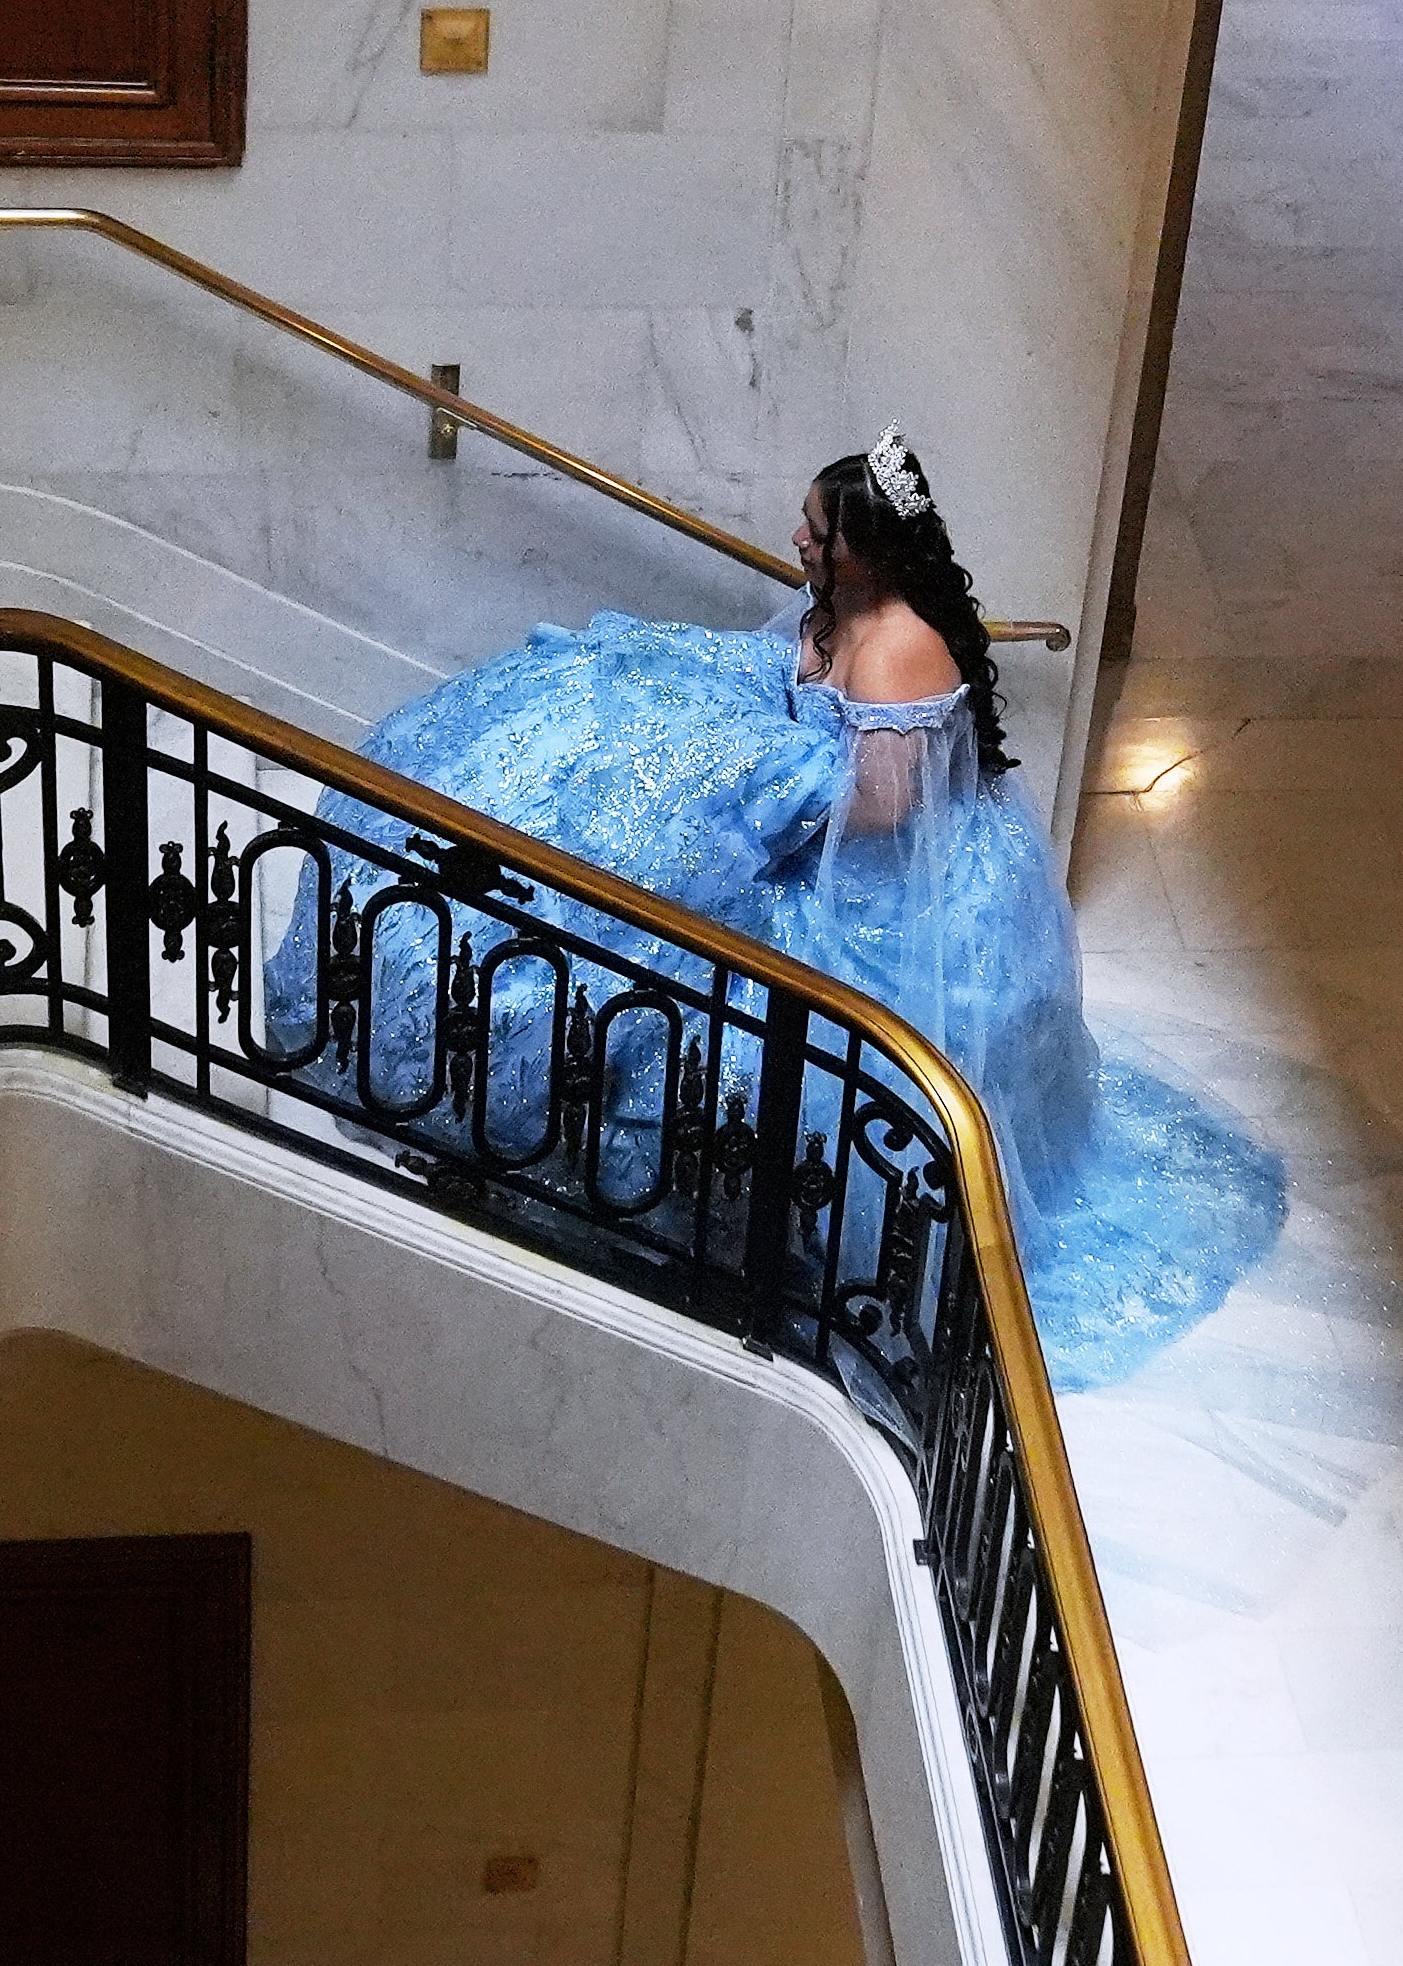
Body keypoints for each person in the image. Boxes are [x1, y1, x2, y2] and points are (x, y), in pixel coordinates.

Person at [292, 428, 1283, 1392]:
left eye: (818, 529)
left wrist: (754, 780)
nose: (800, 540)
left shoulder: (900, 649)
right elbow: (783, 673)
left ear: (865, 546)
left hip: (874, 897)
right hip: (834, 843)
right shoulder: (839, 609)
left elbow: (884, 806)